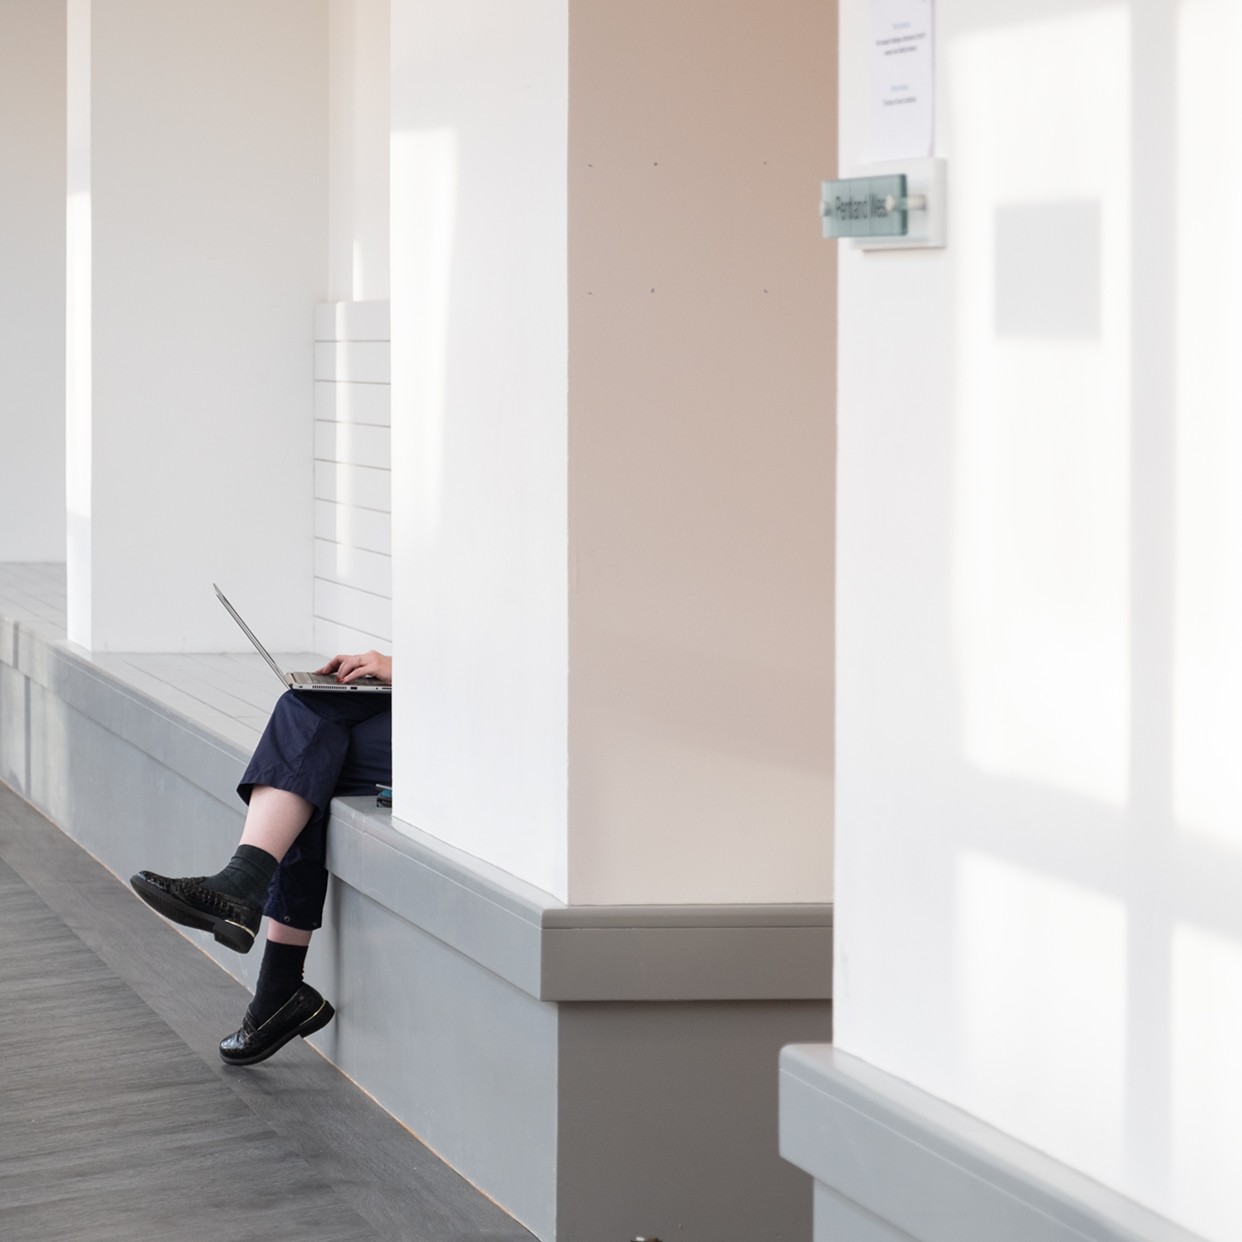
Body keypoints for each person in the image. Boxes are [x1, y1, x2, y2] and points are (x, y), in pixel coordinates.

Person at [131, 648, 392, 1066]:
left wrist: (406, 669)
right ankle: (267, 955)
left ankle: (269, 959)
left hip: (474, 716)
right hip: (430, 693)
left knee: (308, 760)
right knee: (301, 707)